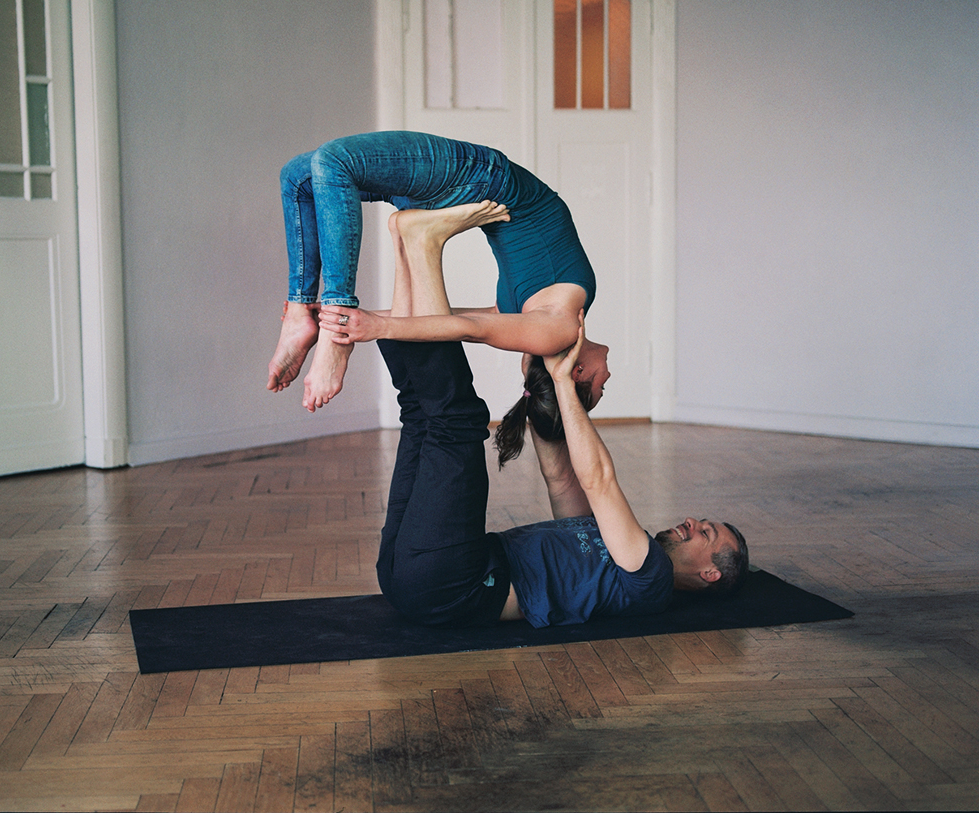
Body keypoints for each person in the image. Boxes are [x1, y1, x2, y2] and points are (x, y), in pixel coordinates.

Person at [376, 251, 749, 628]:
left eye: (706, 532)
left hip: (451, 582)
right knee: (422, 417)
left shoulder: (651, 579)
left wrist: (563, 382)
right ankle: (402, 255)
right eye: (701, 521)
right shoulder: (605, 538)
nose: (691, 522)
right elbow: (559, 475)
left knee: (456, 421)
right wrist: (536, 372)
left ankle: (422, 248)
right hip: (411, 576)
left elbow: (599, 481)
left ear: (710, 574)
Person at [266, 131, 610, 413]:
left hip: (483, 180)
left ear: (580, 372)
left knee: (325, 166)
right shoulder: (544, 321)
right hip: (468, 193)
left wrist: (348, 325)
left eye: (601, 386)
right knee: (300, 177)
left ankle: (324, 326)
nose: (607, 378)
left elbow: (469, 328)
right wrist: (353, 320)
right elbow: (456, 318)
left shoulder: (560, 331)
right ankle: (301, 314)